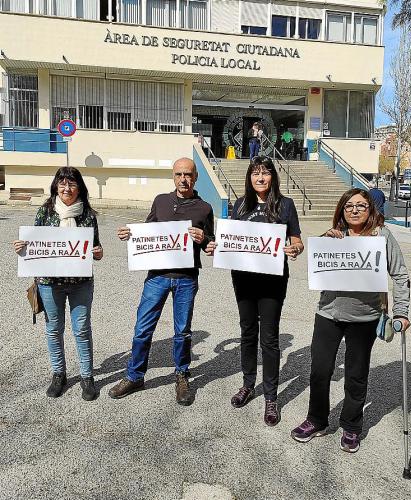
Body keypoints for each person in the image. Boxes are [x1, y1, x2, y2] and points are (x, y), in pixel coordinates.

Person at [291, 188, 410, 452]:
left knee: (356, 375)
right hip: (328, 314)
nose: (354, 210)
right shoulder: (335, 235)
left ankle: (352, 426)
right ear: (342, 210)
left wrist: (401, 311)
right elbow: (319, 266)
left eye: (361, 206)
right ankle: (317, 420)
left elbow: (400, 275)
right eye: (349, 206)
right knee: (320, 370)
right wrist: (324, 240)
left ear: (370, 209)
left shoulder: (382, 236)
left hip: (365, 318)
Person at [206, 156, 304, 426]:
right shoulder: (240, 204)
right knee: (248, 332)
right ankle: (248, 384)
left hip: (273, 280)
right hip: (244, 279)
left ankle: (271, 397)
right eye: (255, 173)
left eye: (265, 173)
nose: (260, 178)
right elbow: (230, 239)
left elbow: (297, 239)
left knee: (269, 338)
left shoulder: (285, 204)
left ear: (273, 176)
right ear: (249, 178)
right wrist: (216, 246)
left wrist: (295, 248)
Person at [109, 158, 214, 406]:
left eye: (188, 175)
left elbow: (210, 243)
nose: (183, 179)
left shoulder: (205, 208)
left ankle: (182, 375)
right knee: (143, 329)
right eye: (179, 174)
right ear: (173, 176)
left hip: (186, 278)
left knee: (183, 332)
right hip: (156, 277)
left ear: (196, 177)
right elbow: (148, 232)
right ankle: (135, 376)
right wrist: (130, 235)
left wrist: (204, 239)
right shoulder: (160, 201)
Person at [13, 167, 103, 401]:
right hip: (49, 283)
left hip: (80, 282)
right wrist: (23, 248)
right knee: (54, 330)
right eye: (62, 183)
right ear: (55, 186)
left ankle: (87, 377)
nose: (67, 188)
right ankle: (59, 374)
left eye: (72, 184)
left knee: (82, 330)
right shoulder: (45, 211)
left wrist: (98, 252)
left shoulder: (88, 215)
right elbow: (35, 243)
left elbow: (96, 247)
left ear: (79, 188)